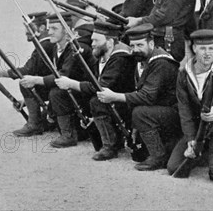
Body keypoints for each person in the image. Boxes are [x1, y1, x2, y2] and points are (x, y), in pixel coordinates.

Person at [97, 23, 181, 171]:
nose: (135, 50)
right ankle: (113, 145)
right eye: (133, 45)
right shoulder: (140, 60)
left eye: (140, 45)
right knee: (138, 155)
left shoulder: (161, 62)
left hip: (172, 114)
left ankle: (158, 156)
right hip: (155, 111)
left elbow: (147, 96)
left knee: (140, 113)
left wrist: (114, 96)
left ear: (151, 43)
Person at [53, 20, 136, 160]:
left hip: (126, 102)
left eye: (96, 40)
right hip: (111, 99)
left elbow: (100, 85)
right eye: (92, 40)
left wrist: (71, 83)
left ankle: (110, 146)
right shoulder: (103, 53)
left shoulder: (121, 57)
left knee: (96, 101)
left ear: (109, 42)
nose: (92, 44)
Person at [14, 12, 97, 148]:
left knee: (56, 92)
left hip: (85, 94)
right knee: (26, 84)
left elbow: (64, 75)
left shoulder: (75, 48)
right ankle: (35, 124)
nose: (49, 32)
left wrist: (36, 80)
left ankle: (68, 135)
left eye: (54, 29)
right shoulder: (56, 46)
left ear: (67, 31)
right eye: (49, 28)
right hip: (68, 91)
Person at [167, 29, 213, 185]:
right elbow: (184, 110)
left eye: (211, 48)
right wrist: (191, 139)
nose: (207, 53)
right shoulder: (184, 74)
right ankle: (209, 151)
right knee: (174, 168)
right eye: (203, 48)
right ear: (194, 49)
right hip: (197, 127)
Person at [0, 11, 55, 137]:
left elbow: (27, 71)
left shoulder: (45, 45)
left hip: (55, 86)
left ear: (42, 28)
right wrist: (26, 101)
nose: (27, 35)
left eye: (29, 30)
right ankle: (39, 121)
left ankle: (34, 124)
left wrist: (0, 73)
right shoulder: (46, 43)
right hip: (52, 84)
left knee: (25, 83)